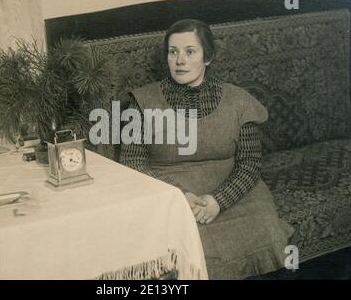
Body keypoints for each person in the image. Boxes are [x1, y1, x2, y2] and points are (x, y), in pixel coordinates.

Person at [119, 19, 294, 279]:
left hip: (236, 195)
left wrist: (218, 201)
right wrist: (179, 196)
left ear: (208, 57)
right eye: (173, 51)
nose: (180, 61)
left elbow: (250, 163)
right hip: (170, 196)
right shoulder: (141, 102)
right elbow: (132, 163)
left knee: (264, 230)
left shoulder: (239, 101)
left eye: (190, 51)